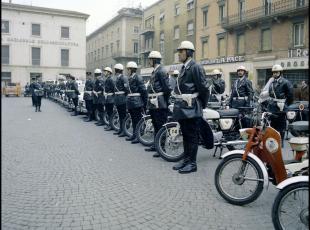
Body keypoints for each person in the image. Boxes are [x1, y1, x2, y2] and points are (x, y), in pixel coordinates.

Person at [171, 41, 210, 174]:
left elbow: (204, 88)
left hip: (192, 107)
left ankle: (192, 163)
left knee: (192, 136)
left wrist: (201, 105)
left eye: (181, 51)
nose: (179, 54)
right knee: (186, 135)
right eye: (179, 51)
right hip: (184, 107)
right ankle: (186, 160)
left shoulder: (195, 66)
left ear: (188, 52)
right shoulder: (184, 67)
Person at [145, 51, 171, 156]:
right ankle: (156, 145)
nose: (149, 61)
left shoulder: (161, 71)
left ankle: (161, 148)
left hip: (160, 103)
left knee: (160, 125)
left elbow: (167, 89)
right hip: (154, 102)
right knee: (156, 124)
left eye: (150, 59)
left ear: (155, 60)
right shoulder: (155, 71)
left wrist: (164, 101)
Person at [267, 64, 293, 146]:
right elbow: (270, 94)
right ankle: (274, 140)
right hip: (272, 107)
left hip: (281, 108)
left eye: (276, 72)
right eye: (274, 72)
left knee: (281, 125)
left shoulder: (285, 82)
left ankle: (281, 141)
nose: (275, 74)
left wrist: (285, 104)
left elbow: (290, 95)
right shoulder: (271, 82)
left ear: (280, 73)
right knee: (272, 125)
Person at [124, 61, 148, 144]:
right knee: (133, 120)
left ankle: (138, 137)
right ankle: (134, 135)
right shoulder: (130, 78)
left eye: (128, 69)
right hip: (131, 102)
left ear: (131, 69)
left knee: (137, 120)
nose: (127, 71)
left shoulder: (138, 77)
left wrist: (145, 103)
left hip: (137, 102)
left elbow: (143, 91)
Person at [113, 63, 129, 137]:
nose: (114, 71)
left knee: (123, 115)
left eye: (115, 69)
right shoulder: (117, 78)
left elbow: (126, 89)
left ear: (117, 70)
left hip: (122, 99)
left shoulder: (123, 78)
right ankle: (120, 129)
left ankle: (124, 130)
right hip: (118, 99)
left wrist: (123, 96)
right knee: (120, 115)